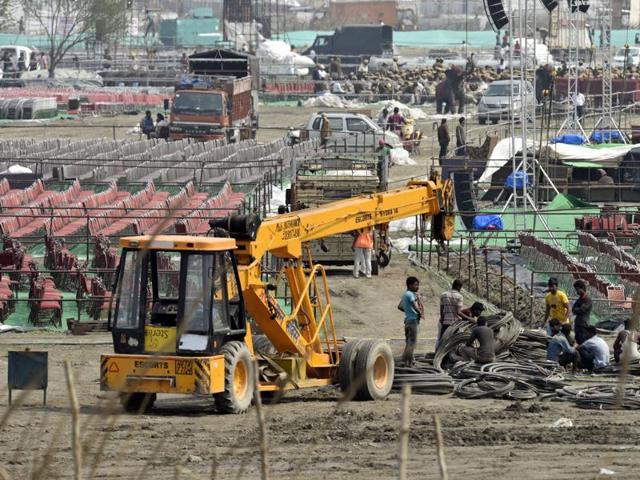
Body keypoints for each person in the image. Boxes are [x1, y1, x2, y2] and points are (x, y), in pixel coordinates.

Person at [398, 276, 424, 367]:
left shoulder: (406, 294)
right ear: (409, 285)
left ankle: (408, 361)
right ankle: (408, 362)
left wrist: (408, 310)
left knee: (409, 342)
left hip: (408, 320)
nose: (417, 287)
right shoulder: (410, 294)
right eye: (416, 285)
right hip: (413, 321)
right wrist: (420, 313)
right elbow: (416, 306)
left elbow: (400, 306)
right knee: (412, 342)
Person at [438, 279, 463, 346]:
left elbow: (441, 310)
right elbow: (458, 312)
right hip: (454, 323)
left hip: (445, 322)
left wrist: (443, 319)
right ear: (459, 287)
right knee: (453, 343)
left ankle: (440, 355)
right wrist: (470, 319)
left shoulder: (444, 294)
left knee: (442, 341)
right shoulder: (459, 296)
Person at [572, 279, 592, 345]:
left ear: (582, 288)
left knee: (583, 344)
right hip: (578, 324)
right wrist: (577, 310)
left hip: (583, 326)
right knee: (578, 342)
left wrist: (577, 309)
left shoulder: (587, 300)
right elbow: (573, 309)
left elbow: (582, 310)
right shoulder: (579, 299)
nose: (577, 291)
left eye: (577, 289)